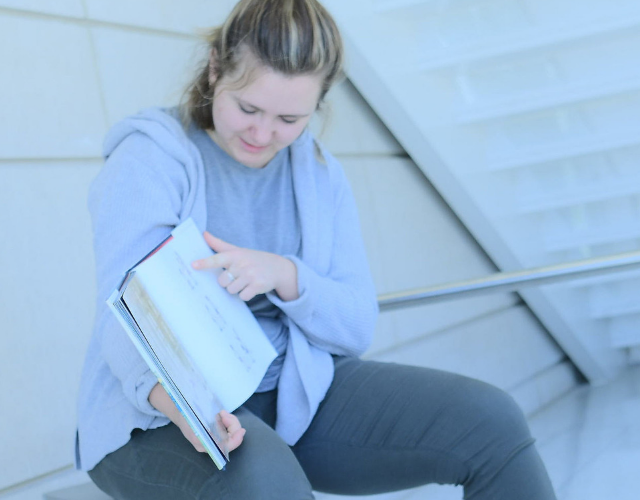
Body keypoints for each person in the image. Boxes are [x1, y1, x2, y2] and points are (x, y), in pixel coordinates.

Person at [72, 0, 557, 498]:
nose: (262, 134)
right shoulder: (151, 157)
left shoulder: (319, 174)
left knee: (490, 421)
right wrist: (187, 408)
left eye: (289, 118)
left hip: (292, 397)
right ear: (216, 68)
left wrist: (284, 274)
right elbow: (124, 318)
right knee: (261, 475)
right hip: (158, 407)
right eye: (247, 108)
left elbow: (354, 325)